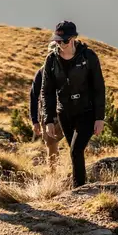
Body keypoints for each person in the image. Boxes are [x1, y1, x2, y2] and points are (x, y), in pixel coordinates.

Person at [40, 21, 106, 188]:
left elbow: (99, 88)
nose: (60, 44)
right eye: (57, 40)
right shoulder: (51, 60)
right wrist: (48, 119)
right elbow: (46, 92)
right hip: (65, 113)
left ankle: (78, 188)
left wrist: (99, 118)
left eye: (64, 40)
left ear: (74, 38)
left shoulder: (88, 56)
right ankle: (81, 186)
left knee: (76, 150)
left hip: (87, 111)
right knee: (74, 152)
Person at [29, 64, 62, 170]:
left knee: (75, 143)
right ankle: (53, 174)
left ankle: (77, 172)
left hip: (69, 111)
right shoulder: (41, 72)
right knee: (51, 144)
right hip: (49, 114)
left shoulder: (72, 67)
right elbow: (34, 96)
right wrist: (35, 121)